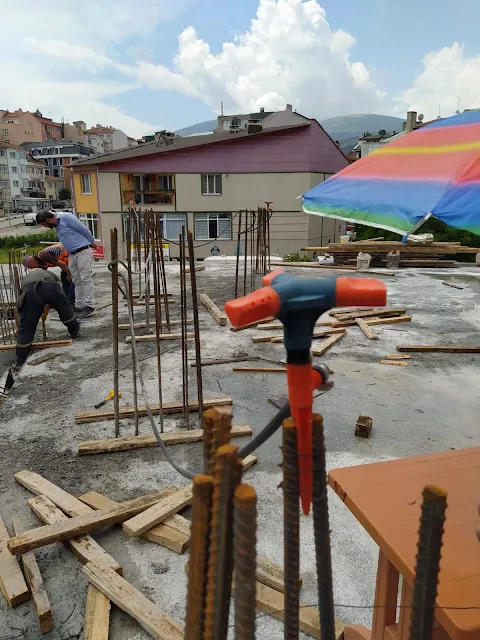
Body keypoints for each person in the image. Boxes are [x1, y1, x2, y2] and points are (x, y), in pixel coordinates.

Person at [36, 210, 97, 318]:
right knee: (76, 279)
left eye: (44, 224)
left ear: (48, 220)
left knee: (85, 278)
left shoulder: (66, 218)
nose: (46, 227)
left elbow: (84, 230)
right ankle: (79, 305)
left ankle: (89, 305)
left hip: (82, 251)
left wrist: (91, 242)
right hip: (72, 254)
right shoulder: (57, 225)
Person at [14, 268, 80, 369]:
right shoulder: (49, 274)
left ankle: (20, 361)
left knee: (27, 326)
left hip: (32, 292)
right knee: (65, 310)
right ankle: (74, 331)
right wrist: (47, 307)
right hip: (51, 288)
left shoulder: (26, 281)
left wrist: (19, 329)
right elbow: (58, 295)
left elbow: (19, 309)